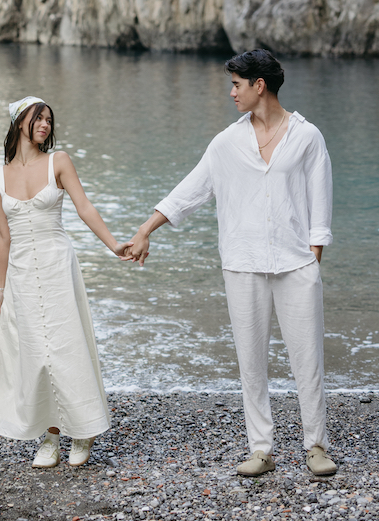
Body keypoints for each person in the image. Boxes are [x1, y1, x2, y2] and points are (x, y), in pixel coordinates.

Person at [126, 49, 337, 479]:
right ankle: (261, 448)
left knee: (307, 360)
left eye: (237, 84)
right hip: (242, 265)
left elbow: (321, 204)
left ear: (260, 86)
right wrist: (146, 229)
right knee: (251, 362)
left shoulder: (307, 136)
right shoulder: (226, 143)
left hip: (296, 266)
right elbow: (190, 191)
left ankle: (316, 445)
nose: (231, 92)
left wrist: (313, 258)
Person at [0, 95, 128, 468]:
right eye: (39, 118)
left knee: (68, 347)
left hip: (57, 265)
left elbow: (85, 208)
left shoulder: (59, 162)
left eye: (49, 119)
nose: (46, 125)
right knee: (34, 354)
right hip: (20, 273)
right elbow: (4, 236)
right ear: (21, 122)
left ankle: (82, 431)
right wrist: (0, 288)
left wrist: (114, 245)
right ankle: (50, 435)